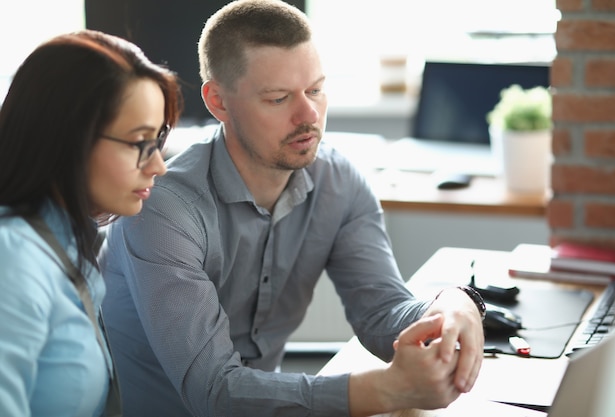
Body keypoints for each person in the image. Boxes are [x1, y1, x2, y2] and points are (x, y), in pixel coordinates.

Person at [100, 1, 485, 416]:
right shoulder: (163, 211)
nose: (309, 115)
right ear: (218, 102)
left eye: (316, 90)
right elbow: (214, 393)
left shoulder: (339, 182)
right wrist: (385, 390)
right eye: (279, 98)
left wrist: (451, 303)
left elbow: (382, 311)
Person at [0, 29, 181, 417]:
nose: (158, 166)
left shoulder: (65, 243)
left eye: (159, 141)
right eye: (140, 143)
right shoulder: (13, 258)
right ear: (68, 138)